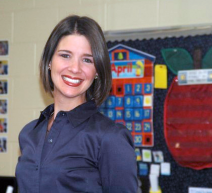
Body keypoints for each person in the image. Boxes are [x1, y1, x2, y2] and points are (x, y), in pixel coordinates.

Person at [15, 15, 138, 193]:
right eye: (65, 56)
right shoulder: (29, 133)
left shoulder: (110, 138)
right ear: (49, 62)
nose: (75, 68)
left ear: (97, 70)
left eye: (87, 60)